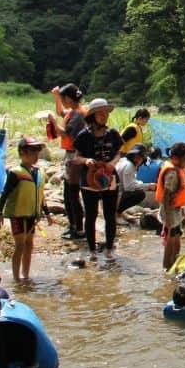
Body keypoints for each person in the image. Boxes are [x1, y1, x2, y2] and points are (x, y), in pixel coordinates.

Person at [0, 136, 55, 282]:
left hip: (31, 214)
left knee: (29, 244)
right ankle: (16, 278)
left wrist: (47, 214)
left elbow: (40, 196)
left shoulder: (39, 172)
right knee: (20, 245)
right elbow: (5, 193)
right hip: (18, 214)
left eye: (37, 151)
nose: (35, 155)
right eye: (32, 151)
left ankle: (26, 275)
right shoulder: (15, 173)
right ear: (22, 153)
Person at [73, 98, 123, 261]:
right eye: (100, 113)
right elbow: (77, 157)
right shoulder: (83, 136)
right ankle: (92, 249)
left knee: (110, 215)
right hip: (89, 180)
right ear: (93, 116)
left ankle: (109, 248)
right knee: (91, 214)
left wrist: (112, 164)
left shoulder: (113, 134)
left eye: (106, 113)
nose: (104, 116)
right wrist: (86, 161)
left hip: (109, 178)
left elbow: (118, 153)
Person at [50, 83, 87, 239]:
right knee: (68, 193)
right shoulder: (74, 111)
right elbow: (60, 112)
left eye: (63, 98)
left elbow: (67, 134)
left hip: (75, 156)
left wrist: (53, 124)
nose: (63, 102)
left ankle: (78, 228)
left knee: (72, 193)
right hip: (71, 155)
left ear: (69, 98)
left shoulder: (79, 114)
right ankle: (73, 225)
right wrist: (57, 97)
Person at [156, 142, 185, 271]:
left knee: (177, 235)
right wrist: (167, 218)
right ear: (176, 158)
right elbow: (166, 196)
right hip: (170, 210)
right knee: (170, 239)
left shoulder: (180, 169)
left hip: (177, 208)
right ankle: (167, 266)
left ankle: (175, 261)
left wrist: (184, 207)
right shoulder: (172, 173)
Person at [115, 143, 151, 218]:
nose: (137, 159)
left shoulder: (124, 161)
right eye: (136, 155)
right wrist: (148, 186)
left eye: (140, 157)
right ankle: (117, 213)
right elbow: (129, 187)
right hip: (116, 195)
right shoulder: (129, 166)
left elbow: (130, 181)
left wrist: (141, 184)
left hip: (114, 193)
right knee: (140, 194)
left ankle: (120, 212)